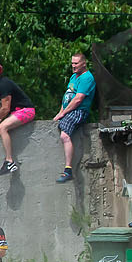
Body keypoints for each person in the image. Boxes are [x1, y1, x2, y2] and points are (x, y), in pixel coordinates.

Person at [0, 59, 35, 176]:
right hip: (16, 111)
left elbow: (5, 108)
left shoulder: (4, 84)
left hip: (26, 110)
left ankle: (9, 162)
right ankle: (9, 162)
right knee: (2, 124)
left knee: (2, 128)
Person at [51, 51, 96, 184]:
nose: (73, 66)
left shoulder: (87, 78)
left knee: (65, 136)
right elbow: (67, 97)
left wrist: (63, 113)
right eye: (72, 63)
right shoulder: (73, 77)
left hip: (79, 111)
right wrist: (60, 113)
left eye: (76, 63)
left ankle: (68, 170)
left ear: (84, 63)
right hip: (69, 110)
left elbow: (78, 99)